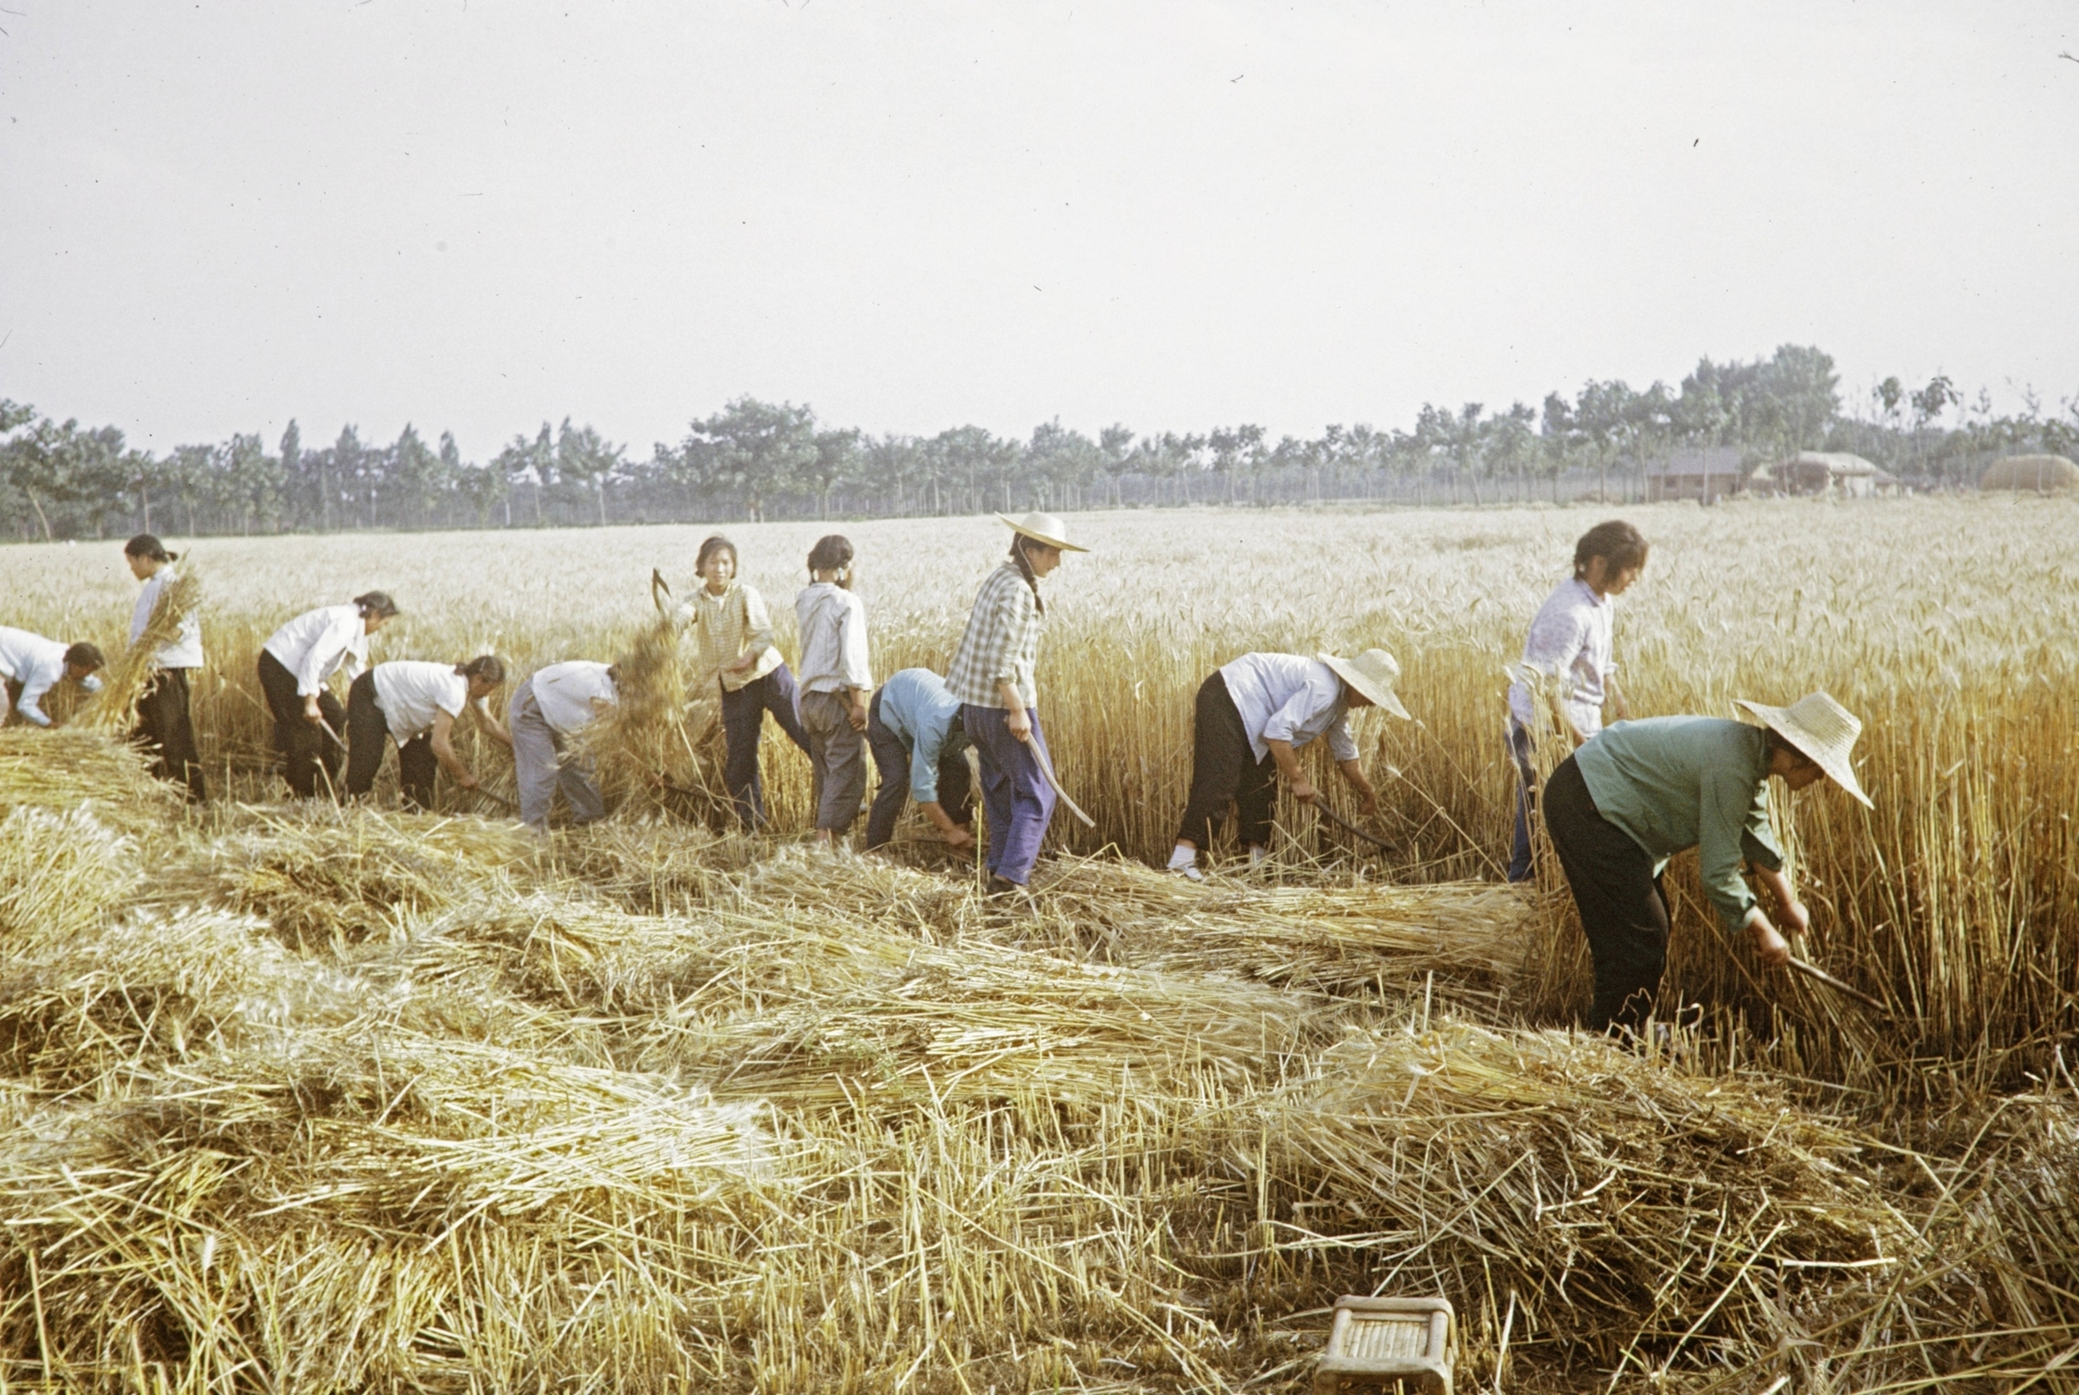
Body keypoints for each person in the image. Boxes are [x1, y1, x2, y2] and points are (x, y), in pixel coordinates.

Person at [1541, 692, 1873, 1036]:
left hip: (1602, 805)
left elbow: (1756, 836)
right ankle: (1615, 1036)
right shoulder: (1732, 766)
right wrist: (1763, 931)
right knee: (1643, 931)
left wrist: (1787, 904)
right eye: (1821, 772)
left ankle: (1622, 1028)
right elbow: (1717, 874)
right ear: (1800, 758)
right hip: (1588, 802)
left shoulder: (1748, 756)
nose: (1819, 781)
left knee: (1642, 929)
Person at [1166, 650, 1407, 881]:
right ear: (1357, 684)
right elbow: (1277, 732)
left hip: (1252, 713)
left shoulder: (1338, 706)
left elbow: (1345, 753)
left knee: (1261, 789)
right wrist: (1298, 779)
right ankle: (1180, 862)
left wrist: (1367, 792)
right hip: (1229, 695)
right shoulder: (1325, 689)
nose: (1371, 704)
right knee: (1220, 779)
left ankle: (1256, 868)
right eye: (1371, 696)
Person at [945, 512, 1087, 895]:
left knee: (1000, 789)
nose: (1057, 562)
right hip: (1003, 707)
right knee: (1038, 792)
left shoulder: (999, 577)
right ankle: (1011, 878)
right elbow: (1002, 662)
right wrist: (1017, 710)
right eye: (1052, 553)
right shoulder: (1019, 591)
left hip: (975, 710)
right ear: (1029, 548)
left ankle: (997, 870)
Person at [1505, 520, 1649, 882]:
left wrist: (1619, 704)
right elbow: (1545, 691)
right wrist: (1580, 744)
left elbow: (1601, 665)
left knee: (1564, 817)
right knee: (1539, 818)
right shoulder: (1569, 613)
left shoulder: (1602, 603)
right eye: (1631, 567)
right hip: (1542, 730)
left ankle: (1551, 891)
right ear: (1600, 563)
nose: (1634, 578)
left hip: (1579, 725)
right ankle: (1518, 892)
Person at [680, 535, 811, 828]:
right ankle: (753, 827)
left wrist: (750, 655)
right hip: (735, 686)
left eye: (726, 562)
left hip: (768, 675)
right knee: (740, 761)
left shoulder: (745, 593)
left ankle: (842, 798)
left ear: (734, 566)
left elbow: (763, 633)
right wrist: (667, 628)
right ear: (701, 566)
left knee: (806, 733)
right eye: (713, 562)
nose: (720, 568)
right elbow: (682, 616)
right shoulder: (695, 602)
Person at [258, 592, 397, 797]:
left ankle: (326, 790)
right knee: (306, 735)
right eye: (383, 624)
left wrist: (376, 710)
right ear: (375, 614)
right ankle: (302, 798)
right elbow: (313, 659)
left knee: (338, 722)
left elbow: (358, 674)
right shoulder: (346, 623)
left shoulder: (356, 625)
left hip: (301, 673)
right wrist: (310, 702)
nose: (379, 629)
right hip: (281, 668)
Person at [344, 655, 511, 811]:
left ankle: (414, 820)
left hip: (402, 707)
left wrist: (515, 746)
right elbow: (439, 744)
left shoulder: (471, 687)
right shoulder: (455, 690)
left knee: (422, 771)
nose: (490, 694)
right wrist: (462, 775)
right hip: (371, 694)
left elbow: (487, 723)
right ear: (478, 679)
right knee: (366, 761)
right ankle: (349, 813)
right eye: (490, 688)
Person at [794, 534, 874, 844]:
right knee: (847, 772)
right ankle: (823, 842)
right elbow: (852, 658)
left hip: (809, 701)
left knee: (826, 773)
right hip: (836, 699)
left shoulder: (805, 598)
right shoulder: (846, 602)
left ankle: (833, 843)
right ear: (843, 568)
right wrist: (859, 703)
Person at [122, 534, 207, 801]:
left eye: (132, 562)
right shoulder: (156, 585)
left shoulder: (171, 585)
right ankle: (155, 793)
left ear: (146, 558)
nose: (131, 569)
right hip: (149, 669)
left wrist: (152, 639)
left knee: (174, 734)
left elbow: (180, 629)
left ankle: (192, 798)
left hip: (166, 670)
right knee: (144, 733)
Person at [863, 667, 976, 853]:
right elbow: (922, 787)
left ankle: (961, 849)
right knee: (897, 779)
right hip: (889, 705)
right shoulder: (935, 725)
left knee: (959, 770)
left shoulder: (979, 718)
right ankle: (873, 852)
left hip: (919, 704)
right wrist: (949, 830)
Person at [509, 660, 618, 829]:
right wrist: (642, 770)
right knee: (542, 773)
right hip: (533, 706)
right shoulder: (601, 689)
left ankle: (590, 827)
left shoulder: (621, 685)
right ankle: (533, 837)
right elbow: (611, 735)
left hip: (562, 711)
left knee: (581, 767)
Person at [0, 628, 104, 728]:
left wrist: (106, 694)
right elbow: (25, 705)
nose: (87, 675)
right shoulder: (50, 668)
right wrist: (51, 725)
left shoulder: (69, 655)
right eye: (87, 671)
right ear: (77, 666)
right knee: (2, 705)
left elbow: (87, 681)